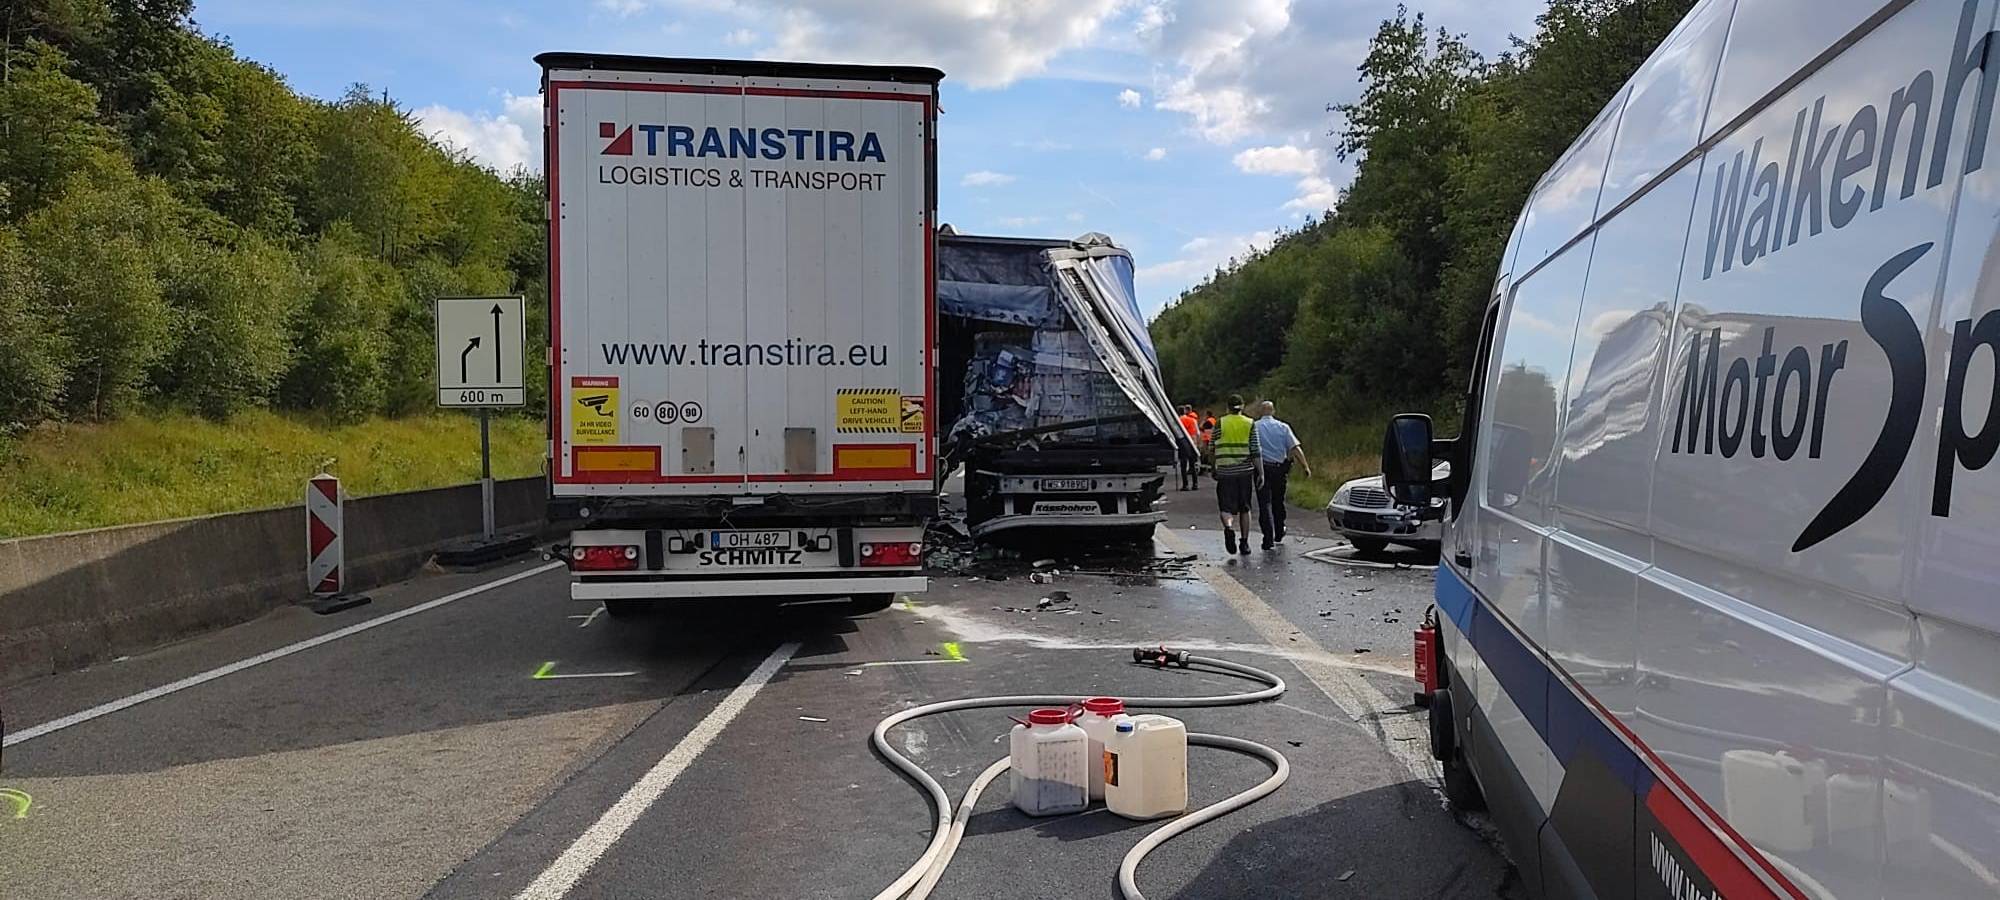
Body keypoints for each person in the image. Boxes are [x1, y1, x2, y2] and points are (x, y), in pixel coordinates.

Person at [1252, 400, 1310, 548]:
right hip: (1279, 469)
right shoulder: (1283, 427)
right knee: (1278, 501)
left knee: (1265, 503)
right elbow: (1295, 448)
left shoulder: (1254, 427)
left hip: (1262, 469)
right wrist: (1305, 466)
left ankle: (1267, 537)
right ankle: (1279, 530)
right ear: (1273, 411)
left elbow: (1250, 449)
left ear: (1260, 411)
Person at [1210, 395, 1262, 555]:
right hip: (1244, 472)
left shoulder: (1220, 423)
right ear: (1242, 406)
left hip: (1225, 472)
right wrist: (1261, 472)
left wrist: (1213, 467)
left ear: (1228, 407)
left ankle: (1229, 527)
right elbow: (1255, 450)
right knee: (1245, 508)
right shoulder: (1249, 423)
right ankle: (1245, 543)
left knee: (1225, 507)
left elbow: (1212, 447)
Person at [1176, 405, 1201, 490]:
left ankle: (1185, 485)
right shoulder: (1192, 420)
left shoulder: (1178, 421)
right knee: (1192, 465)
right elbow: (1197, 433)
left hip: (1183, 444)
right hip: (1192, 443)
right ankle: (1195, 484)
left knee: (1183, 466)